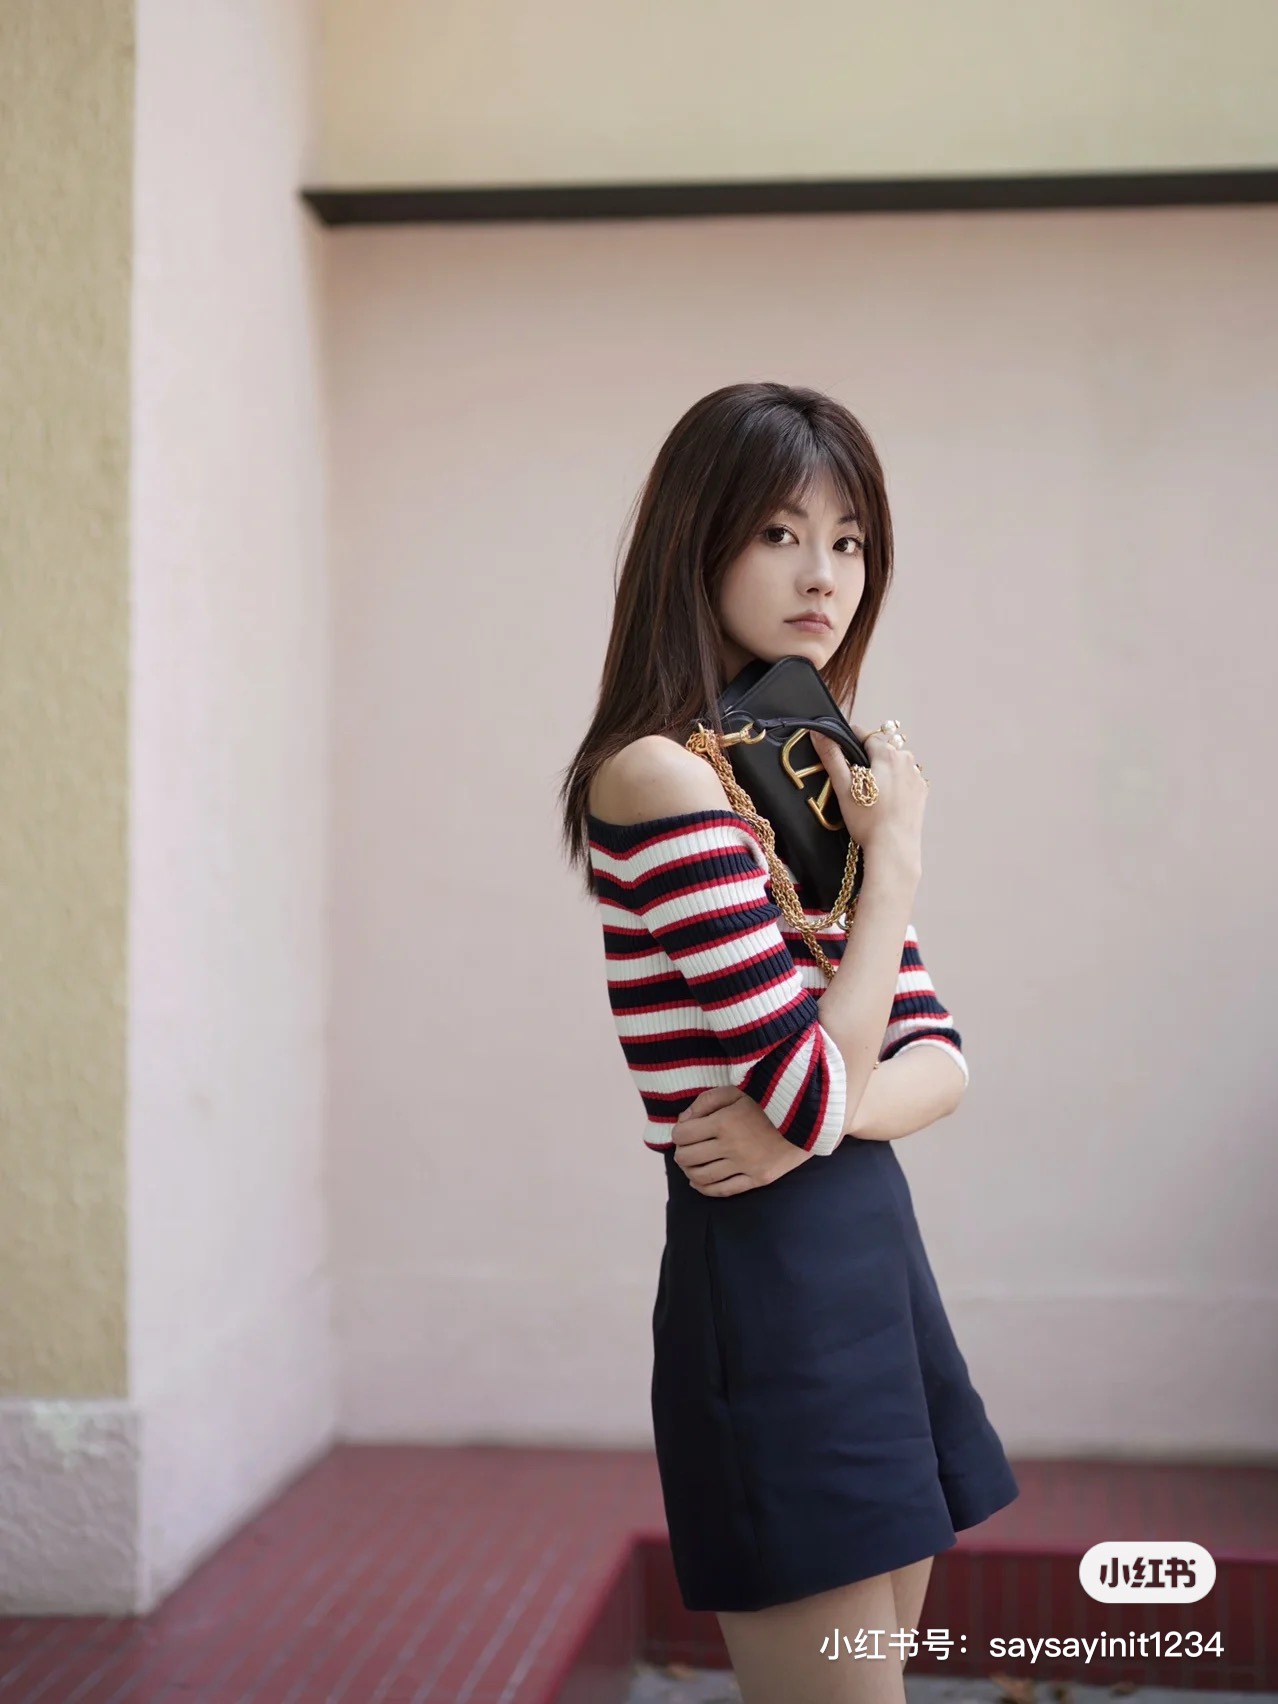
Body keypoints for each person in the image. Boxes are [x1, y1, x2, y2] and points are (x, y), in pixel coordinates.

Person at [556, 381, 1018, 1704]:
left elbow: (941, 1061)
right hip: (764, 1288)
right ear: (696, 542)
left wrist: (810, 1116)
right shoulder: (656, 776)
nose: (825, 575)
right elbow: (828, 1079)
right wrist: (898, 863)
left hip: (871, 1258)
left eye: (849, 540)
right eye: (779, 533)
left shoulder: (806, 774)